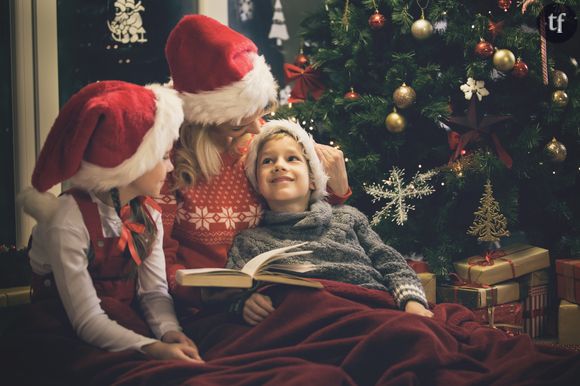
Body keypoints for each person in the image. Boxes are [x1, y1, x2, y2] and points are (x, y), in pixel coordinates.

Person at [159, 15, 351, 308]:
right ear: (204, 120)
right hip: (206, 307)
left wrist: (336, 193)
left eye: (258, 114)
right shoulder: (167, 159)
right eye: (238, 125)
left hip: (279, 293)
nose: (255, 128)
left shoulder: (263, 140)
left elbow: (311, 219)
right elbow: (157, 261)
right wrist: (212, 296)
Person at [18, 80, 203, 362]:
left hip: (124, 326)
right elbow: (86, 320)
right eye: (164, 157)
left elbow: (153, 291)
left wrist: (169, 332)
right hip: (65, 333)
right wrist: (154, 349)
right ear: (130, 165)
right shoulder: (67, 221)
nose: (170, 167)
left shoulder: (148, 215)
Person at [226, 119, 434, 325]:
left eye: (291, 158)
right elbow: (228, 292)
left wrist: (413, 302)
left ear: (313, 180)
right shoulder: (248, 241)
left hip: (367, 309)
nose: (279, 166)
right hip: (301, 322)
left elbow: (392, 263)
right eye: (267, 161)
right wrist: (244, 302)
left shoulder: (348, 218)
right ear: (257, 183)